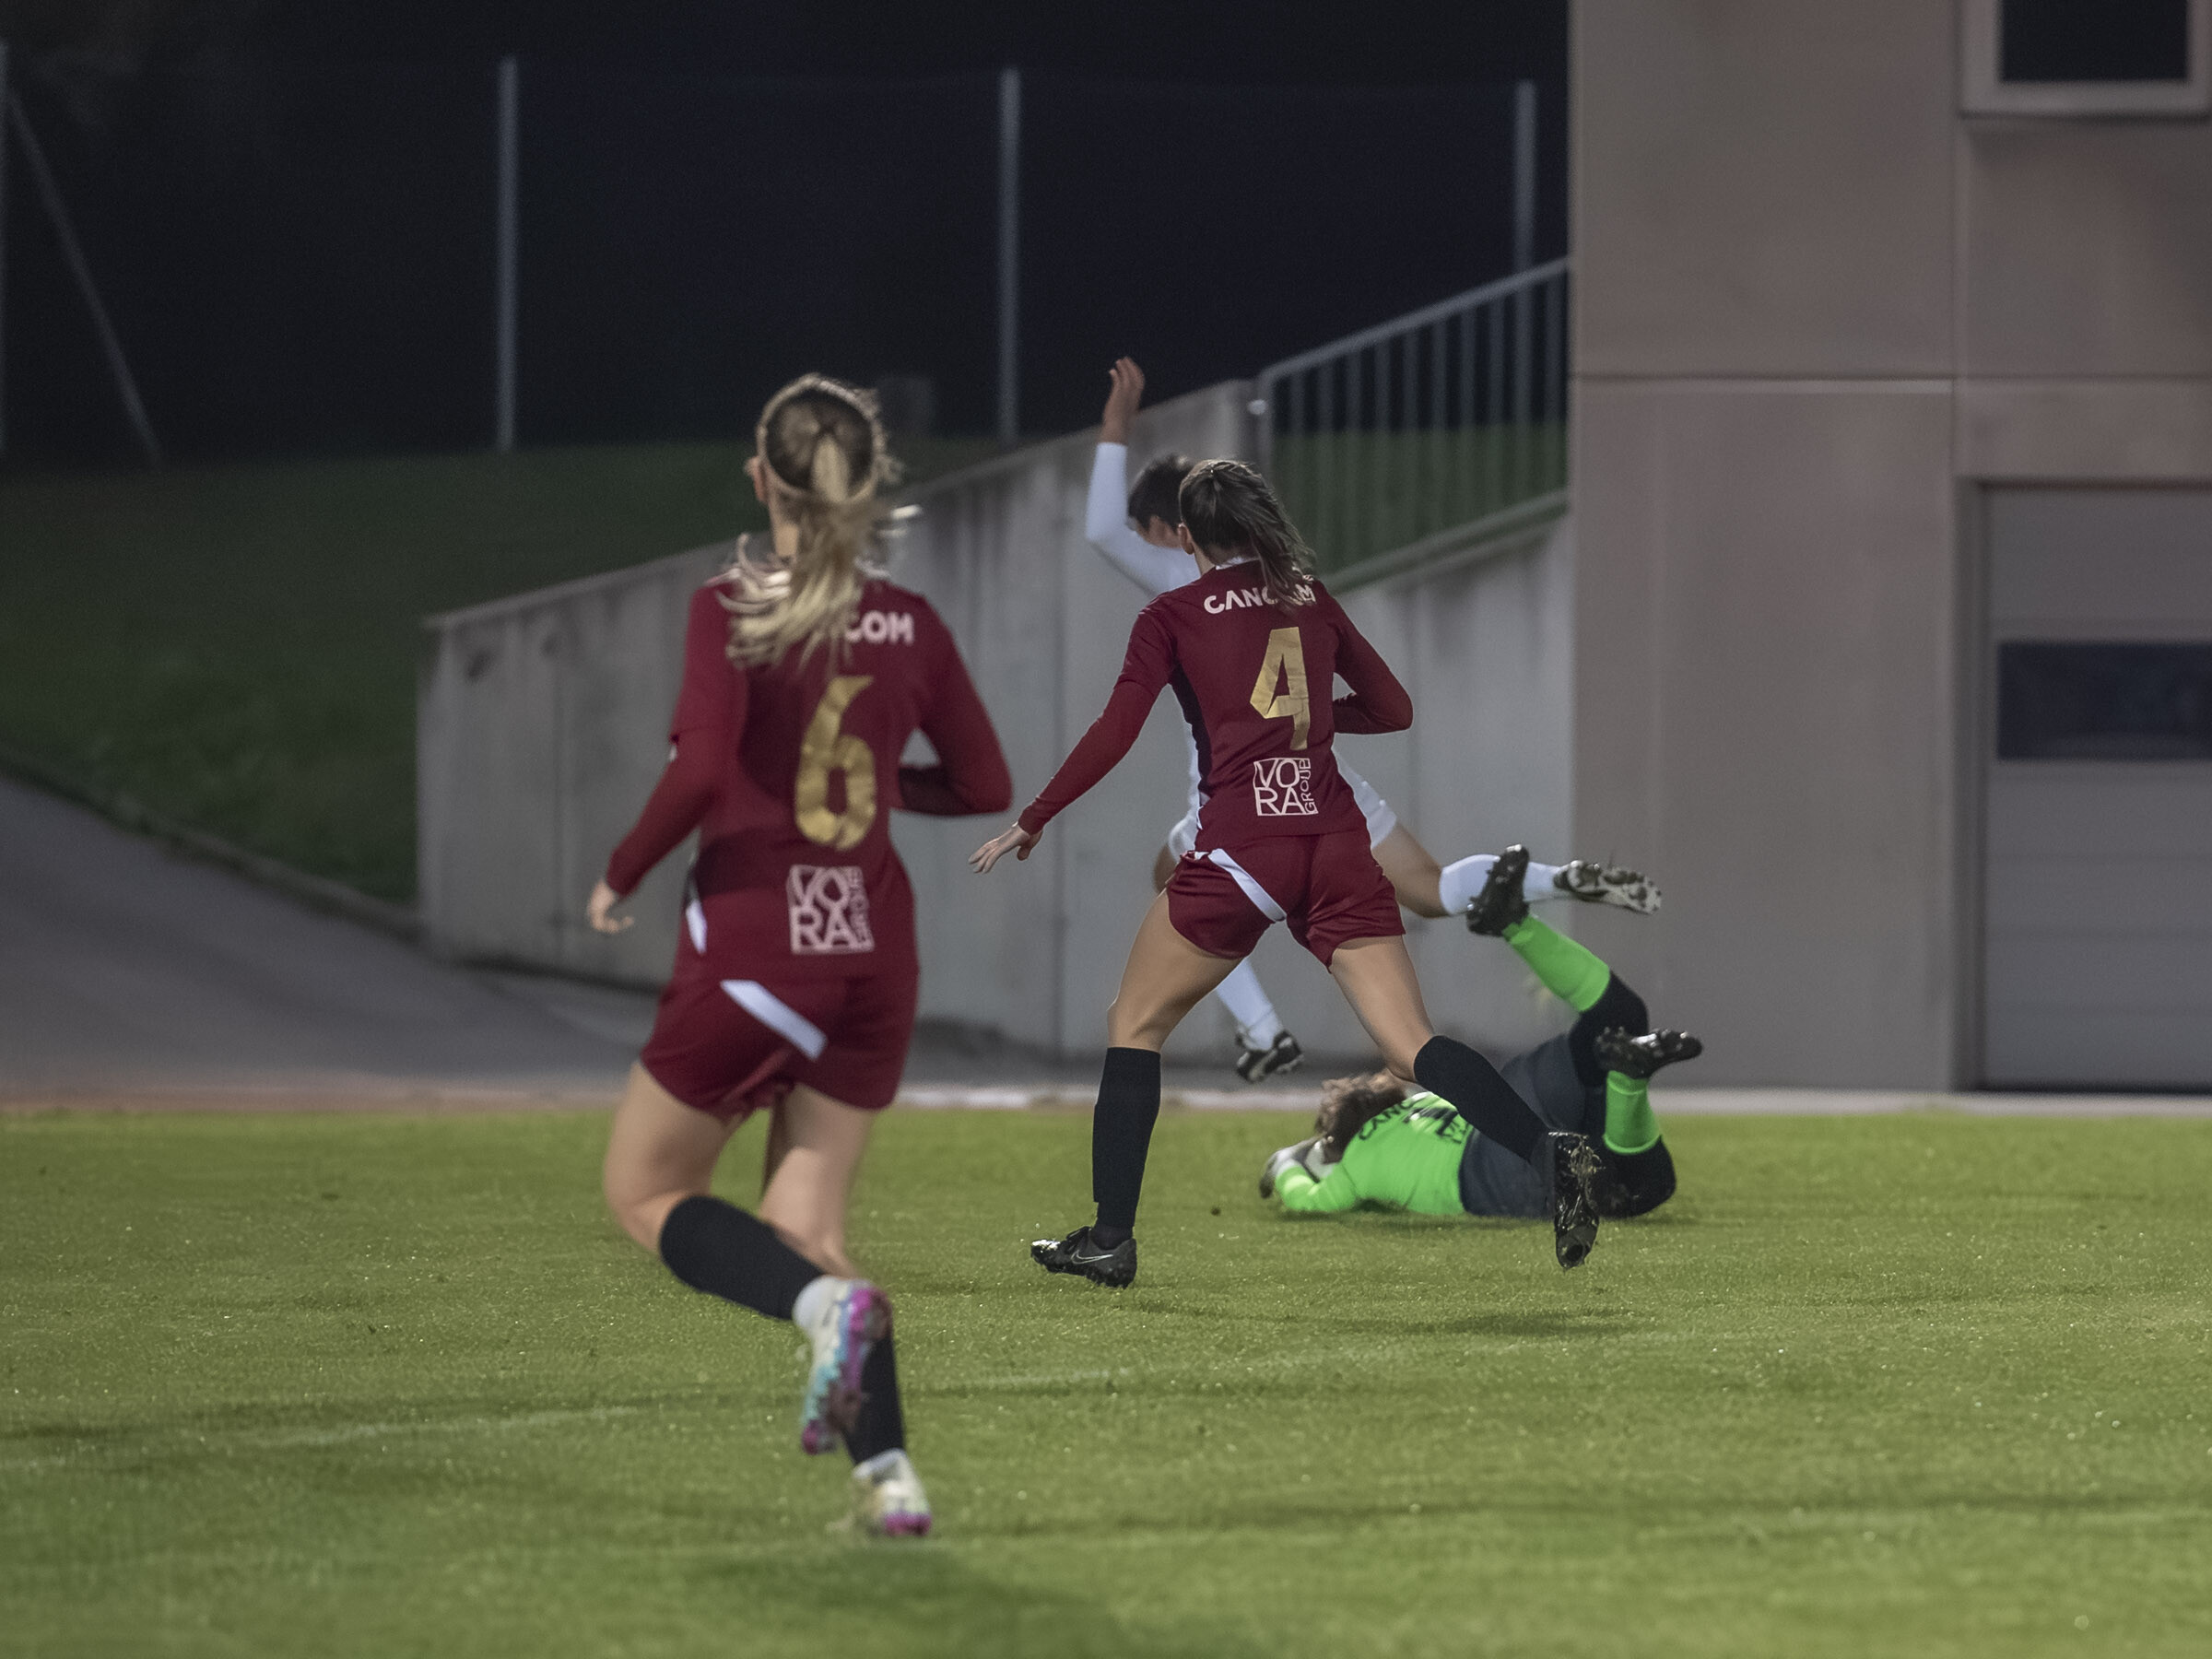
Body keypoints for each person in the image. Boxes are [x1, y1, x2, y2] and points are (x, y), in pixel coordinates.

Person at [971, 459, 1611, 1285]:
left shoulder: (1171, 614)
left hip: (1246, 846)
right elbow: (1394, 709)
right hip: (1336, 840)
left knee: (1134, 1024)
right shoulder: (1308, 596)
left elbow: (1115, 731)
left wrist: (1036, 816)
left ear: (1188, 537)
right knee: (1412, 1047)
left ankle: (1110, 1239)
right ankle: (1550, 1154)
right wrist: (1305, 725)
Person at [588, 374, 1012, 1536]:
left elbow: (700, 770)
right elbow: (985, 783)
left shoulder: (731, 605)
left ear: (762, 478)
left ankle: (827, 1319)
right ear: (868, 485)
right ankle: (892, 1482)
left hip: (761, 941)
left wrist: (621, 871)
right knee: (811, 1239)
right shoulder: (910, 621)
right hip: (874, 953)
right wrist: (874, 791)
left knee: (645, 1191)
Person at [1082, 359, 1657, 1084]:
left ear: (1177, 531)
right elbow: (1379, 701)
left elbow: (1100, 531)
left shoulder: (1185, 580)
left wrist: (1114, 427)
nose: (1142, 544)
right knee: (1430, 890)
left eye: (1148, 531)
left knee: (1175, 885)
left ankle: (1262, 1031)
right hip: (1320, 776)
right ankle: (1554, 878)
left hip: (1243, 796)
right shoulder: (1287, 581)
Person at [1260, 844, 1698, 1223]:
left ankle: (1628, 1078)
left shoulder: (1358, 1165)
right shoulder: (1419, 1103)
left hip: (1497, 1171)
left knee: (1638, 1189)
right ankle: (1516, 925)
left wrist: (1285, 1163)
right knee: (1618, 1017)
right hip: (1517, 1099)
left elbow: (1308, 1200)